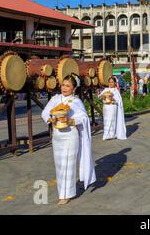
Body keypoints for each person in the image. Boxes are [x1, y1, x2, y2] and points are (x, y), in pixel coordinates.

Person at [41, 74, 96, 205]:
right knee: (59, 165)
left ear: (74, 88)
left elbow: (83, 118)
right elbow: (45, 112)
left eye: (68, 86)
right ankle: (62, 192)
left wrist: (71, 120)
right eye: (63, 85)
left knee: (68, 165)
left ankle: (67, 194)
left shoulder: (75, 101)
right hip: (57, 136)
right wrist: (50, 119)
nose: (64, 88)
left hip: (71, 136)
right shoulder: (55, 99)